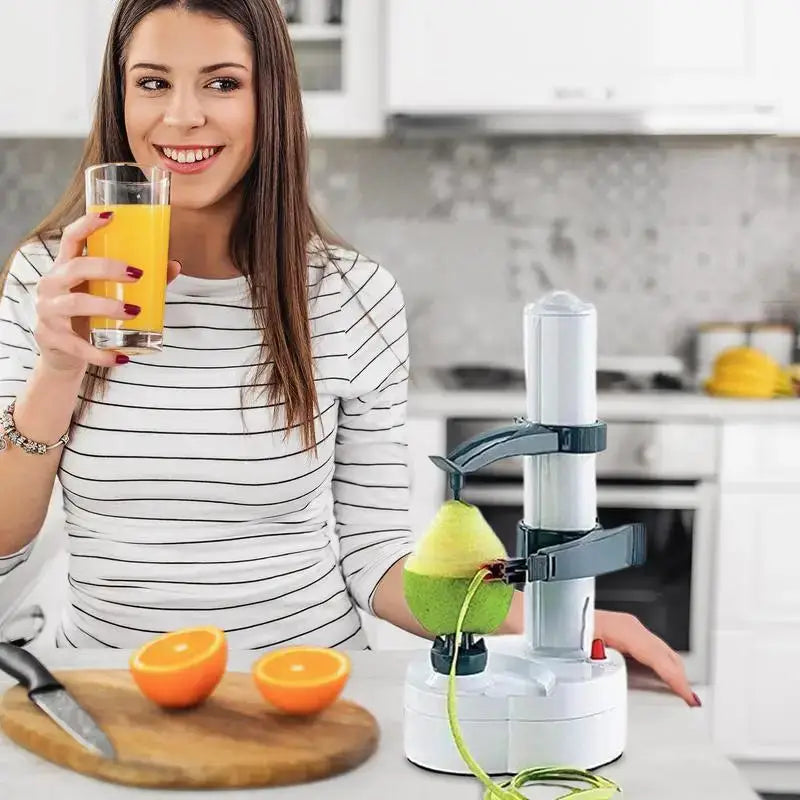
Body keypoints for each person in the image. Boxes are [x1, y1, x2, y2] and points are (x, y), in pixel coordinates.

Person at [0, 0, 698, 708]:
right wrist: (57, 369)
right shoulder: (48, 280)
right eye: (152, 82)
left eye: (222, 83)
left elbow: (375, 556)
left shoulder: (351, 295)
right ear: (118, 99)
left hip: (302, 698)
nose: (182, 117)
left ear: (272, 98)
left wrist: (558, 624)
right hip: (109, 695)